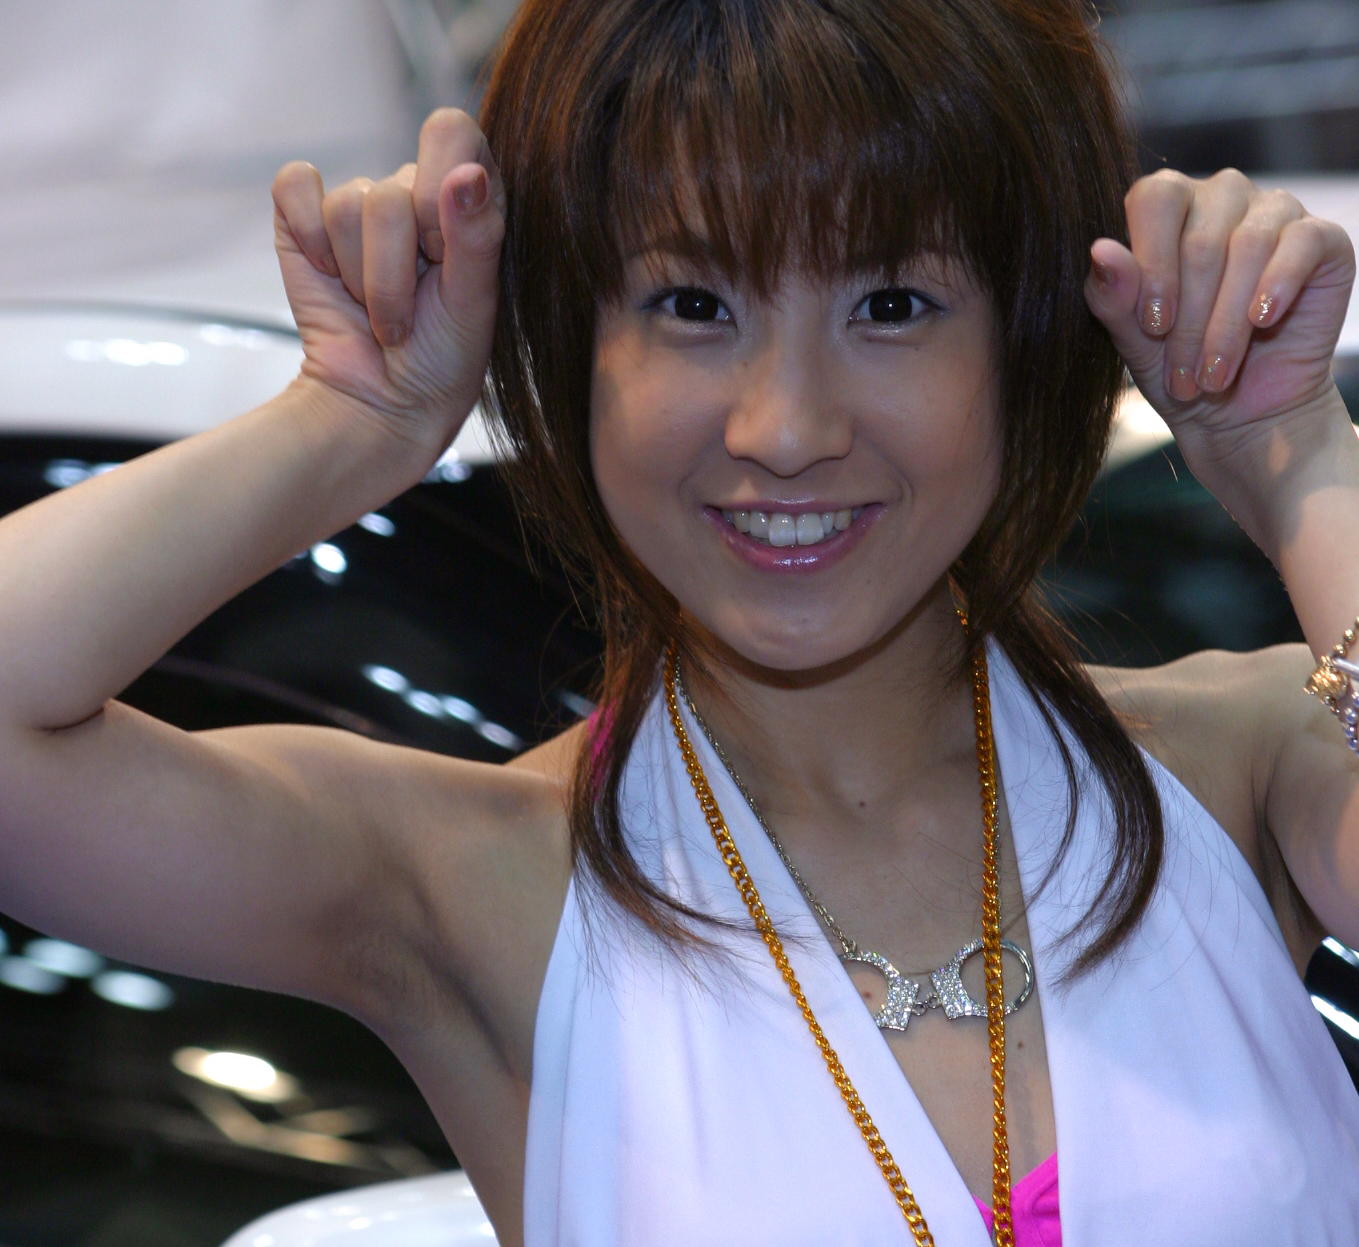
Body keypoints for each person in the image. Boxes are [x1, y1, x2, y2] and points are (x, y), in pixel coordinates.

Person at [2, 0, 1358, 1242]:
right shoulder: (481, 887)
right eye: (692, 306)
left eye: (892, 305)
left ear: (1024, 339)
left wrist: (1293, 453)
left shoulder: (1236, 769)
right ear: (575, 344)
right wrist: (352, 422)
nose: (787, 428)